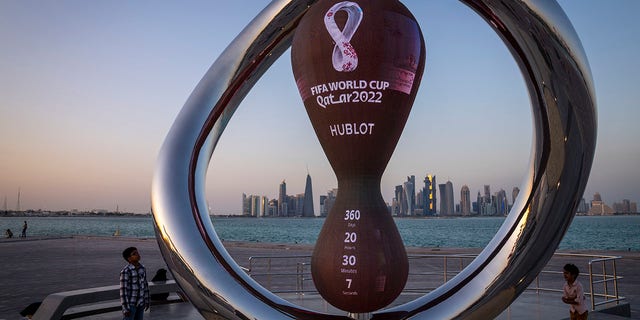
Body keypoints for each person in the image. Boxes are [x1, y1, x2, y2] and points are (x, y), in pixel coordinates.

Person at [120, 247, 150, 320]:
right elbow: (123, 291)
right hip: (131, 305)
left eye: (137, 252)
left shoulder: (142, 268)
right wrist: (126, 308)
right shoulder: (126, 271)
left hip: (141, 303)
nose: (137, 254)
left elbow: (145, 285)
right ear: (129, 259)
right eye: (134, 254)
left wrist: (147, 300)